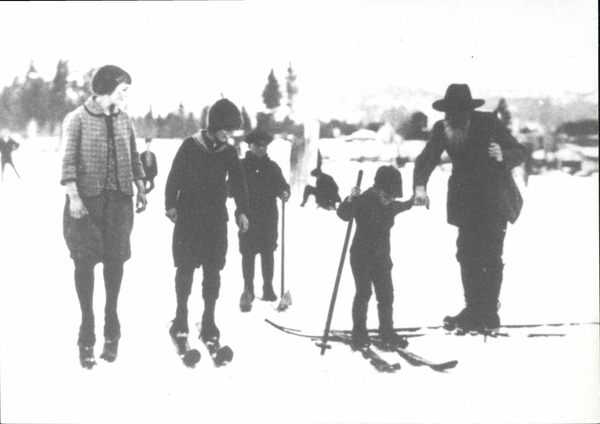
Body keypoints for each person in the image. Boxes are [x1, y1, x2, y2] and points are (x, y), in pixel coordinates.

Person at [412, 83, 527, 334]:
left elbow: (520, 151)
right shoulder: (443, 129)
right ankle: (474, 309)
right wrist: (420, 186)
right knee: (466, 255)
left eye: (459, 112)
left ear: (468, 111)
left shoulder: (489, 123)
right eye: (449, 112)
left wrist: (502, 155)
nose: (453, 117)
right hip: (466, 202)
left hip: (494, 199)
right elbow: (427, 158)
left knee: (491, 257)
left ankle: (489, 313)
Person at [61, 65, 147, 369]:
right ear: (107, 88)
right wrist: (73, 198)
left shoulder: (125, 120)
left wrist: (140, 186)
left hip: (120, 201)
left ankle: (112, 324)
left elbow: (134, 155)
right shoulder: (77, 119)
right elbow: (68, 161)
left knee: (115, 261)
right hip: (87, 203)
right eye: (123, 89)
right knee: (84, 262)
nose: (126, 94)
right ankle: (87, 329)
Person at [164, 98, 249, 349]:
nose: (229, 134)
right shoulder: (191, 146)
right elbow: (174, 176)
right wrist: (170, 204)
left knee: (213, 271)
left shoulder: (229, 152)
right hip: (189, 218)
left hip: (215, 221)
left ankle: (208, 319)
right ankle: (181, 317)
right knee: (185, 269)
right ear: (214, 125)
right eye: (226, 129)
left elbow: (239, 183)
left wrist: (242, 211)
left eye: (232, 130)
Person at [337, 165, 413, 349]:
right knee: (364, 293)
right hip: (361, 255)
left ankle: (387, 332)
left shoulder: (391, 204)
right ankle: (359, 334)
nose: (390, 200)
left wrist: (414, 200)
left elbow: (402, 206)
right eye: (387, 195)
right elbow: (343, 214)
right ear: (378, 189)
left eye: (393, 197)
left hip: (382, 257)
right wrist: (349, 199)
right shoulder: (362, 200)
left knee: (386, 295)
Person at [237, 130, 290, 312]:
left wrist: (284, 193)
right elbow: (231, 188)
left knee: (268, 252)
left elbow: (282, 186)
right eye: (256, 145)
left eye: (264, 145)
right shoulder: (241, 166)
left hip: (268, 216)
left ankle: (268, 287)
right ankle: (249, 288)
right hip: (247, 215)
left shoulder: (272, 167)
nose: (260, 148)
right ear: (249, 146)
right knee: (248, 253)